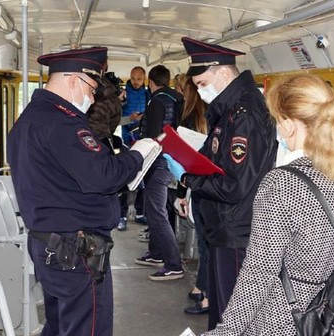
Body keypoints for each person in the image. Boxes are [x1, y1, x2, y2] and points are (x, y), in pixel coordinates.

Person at [202, 73, 334, 336]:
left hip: (283, 321)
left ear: (289, 125)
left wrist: (224, 332)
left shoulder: (282, 183)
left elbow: (259, 271)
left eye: (278, 120)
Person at [7, 47, 156, 336]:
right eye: (92, 87)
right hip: (76, 252)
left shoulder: (30, 118)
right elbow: (104, 176)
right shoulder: (63, 123)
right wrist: (137, 154)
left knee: (60, 325)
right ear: (74, 80)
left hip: (49, 245)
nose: (93, 96)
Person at [165, 37, 277, 330]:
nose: (200, 92)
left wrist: (190, 179)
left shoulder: (245, 116)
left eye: (202, 84)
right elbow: (214, 158)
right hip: (222, 226)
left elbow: (235, 185)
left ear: (223, 74)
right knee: (221, 310)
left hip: (236, 229)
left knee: (233, 314)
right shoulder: (227, 110)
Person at [134, 64, 185, 281]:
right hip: (173, 160)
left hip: (158, 162)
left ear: (150, 82)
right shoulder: (178, 98)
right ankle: (156, 253)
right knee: (158, 207)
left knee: (156, 212)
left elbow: (153, 136)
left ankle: (173, 264)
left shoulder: (156, 101)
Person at [174, 76, 209, 314]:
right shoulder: (216, 116)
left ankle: (206, 295)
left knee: (207, 243)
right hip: (209, 183)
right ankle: (201, 287)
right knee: (207, 242)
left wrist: (181, 192)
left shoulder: (187, 121)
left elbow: (182, 160)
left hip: (196, 182)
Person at [86, 68, 130, 231]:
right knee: (111, 177)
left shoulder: (89, 90)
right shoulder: (114, 101)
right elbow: (113, 124)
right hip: (103, 140)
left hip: (83, 139)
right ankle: (118, 216)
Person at [120, 66, 150, 228]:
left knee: (144, 179)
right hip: (127, 141)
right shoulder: (123, 95)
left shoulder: (148, 94)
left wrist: (143, 119)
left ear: (144, 79)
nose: (136, 82)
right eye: (133, 78)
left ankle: (140, 212)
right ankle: (121, 216)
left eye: (139, 79)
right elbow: (115, 120)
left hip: (143, 141)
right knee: (125, 178)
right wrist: (129, 119)